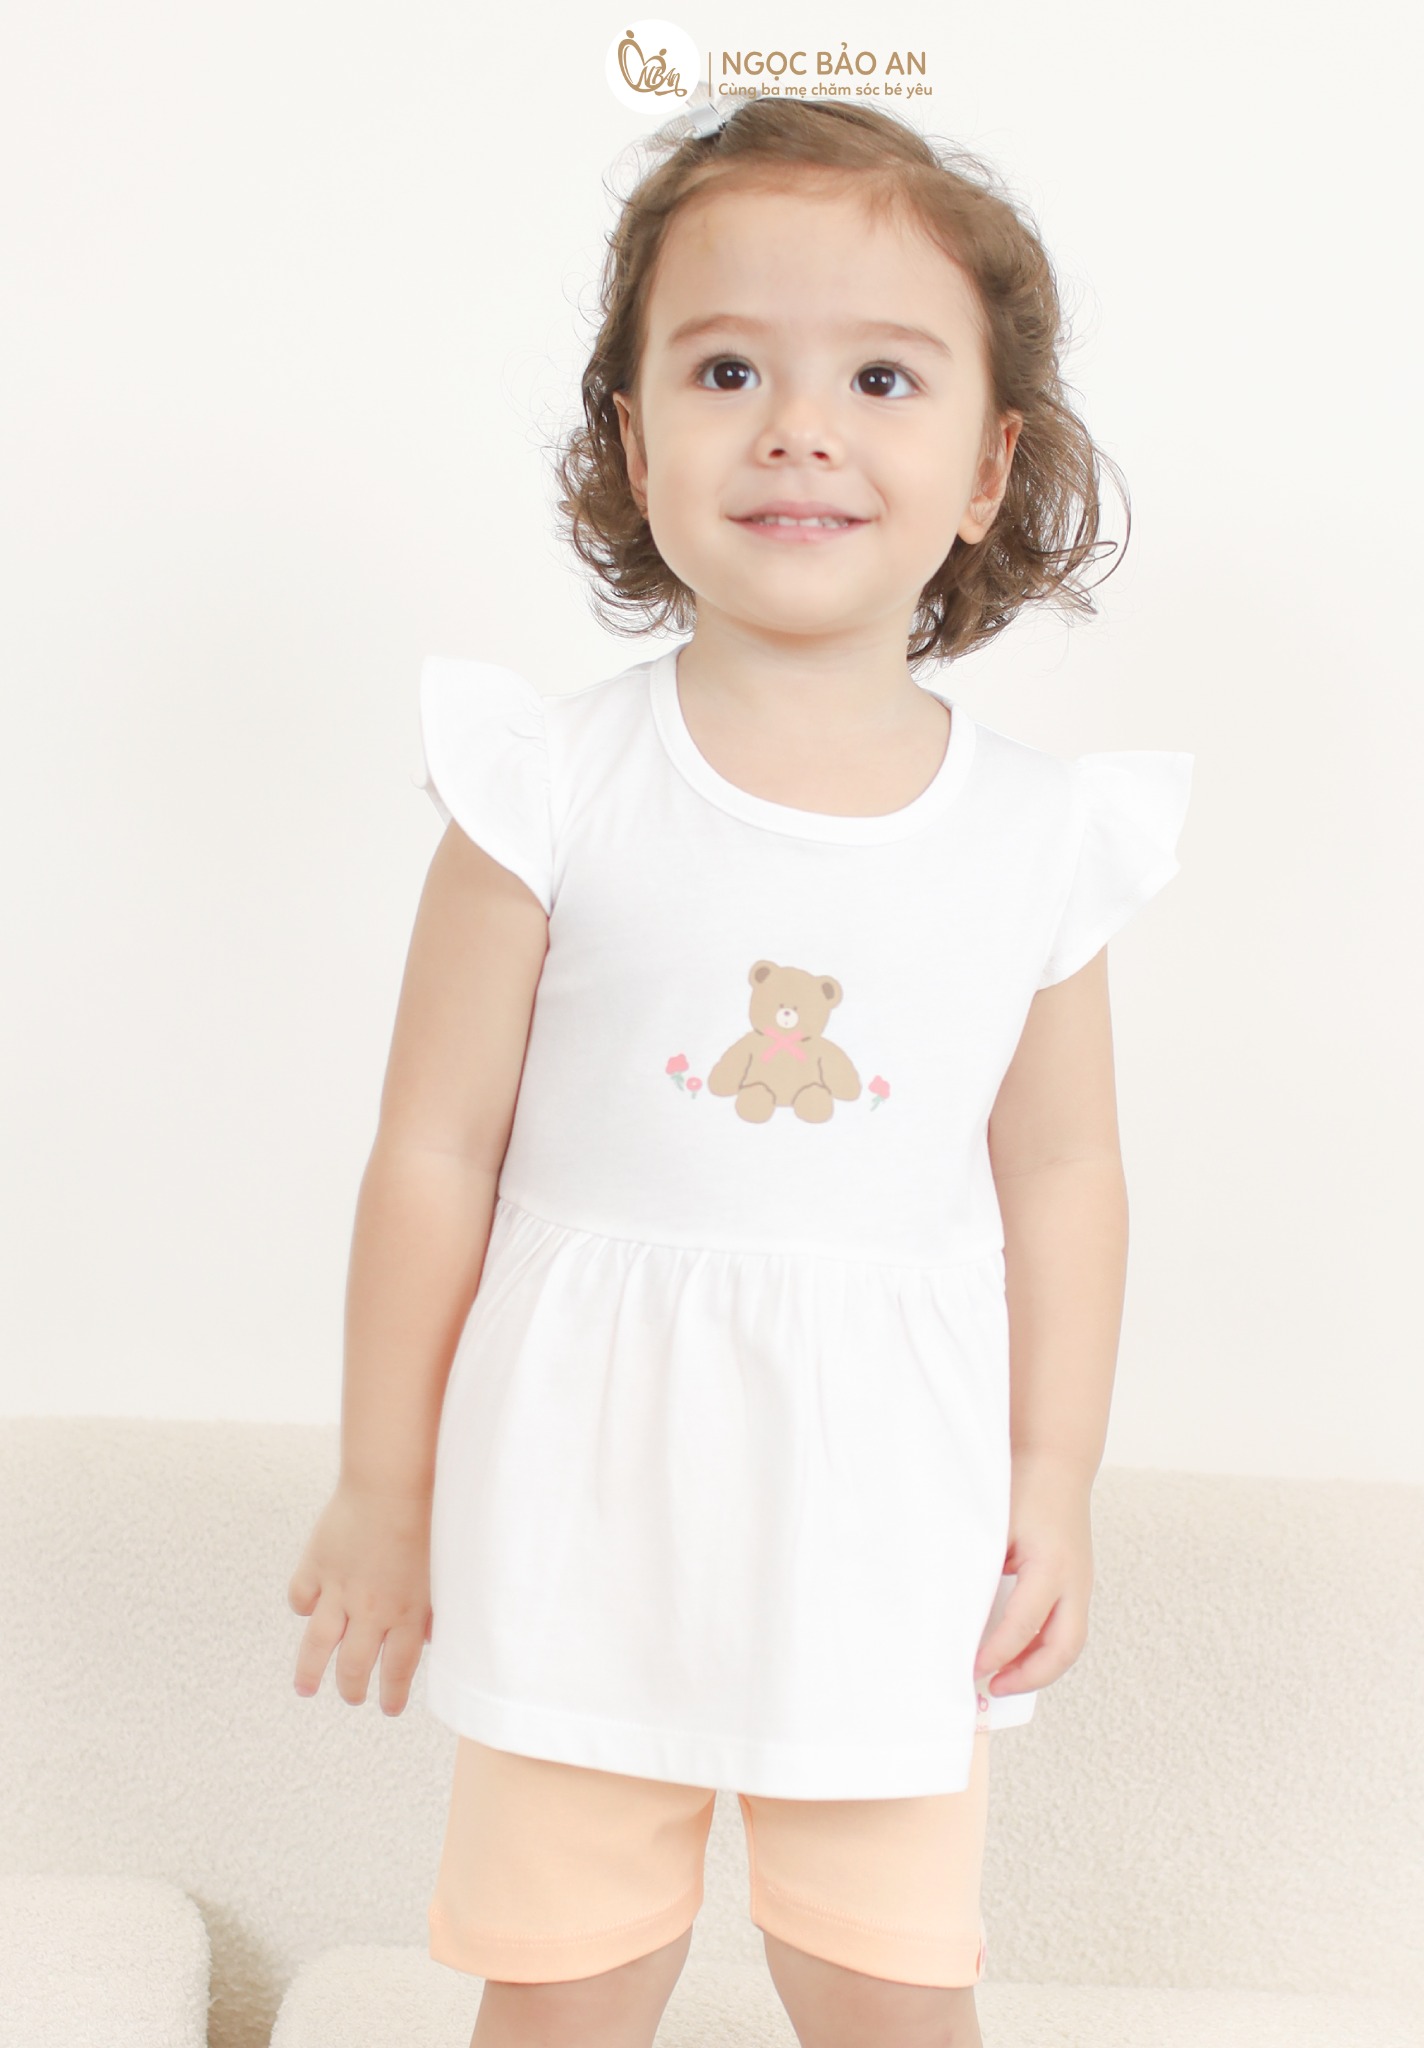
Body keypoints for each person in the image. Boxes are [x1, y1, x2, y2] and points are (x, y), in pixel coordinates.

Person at [286, 89, 1194, 2048]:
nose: (798, 426)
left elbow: (1064, 1176)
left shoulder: (1038, 837)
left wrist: (1055, 1476)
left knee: (885, 1981)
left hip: (889, 1506)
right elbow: (433, 1149)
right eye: (724, 370)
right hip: (577, 1490)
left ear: (987, 463)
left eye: (881, 376)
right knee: (563, 1975)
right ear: (634, 442)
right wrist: (381, 1480)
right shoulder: (546, 788)